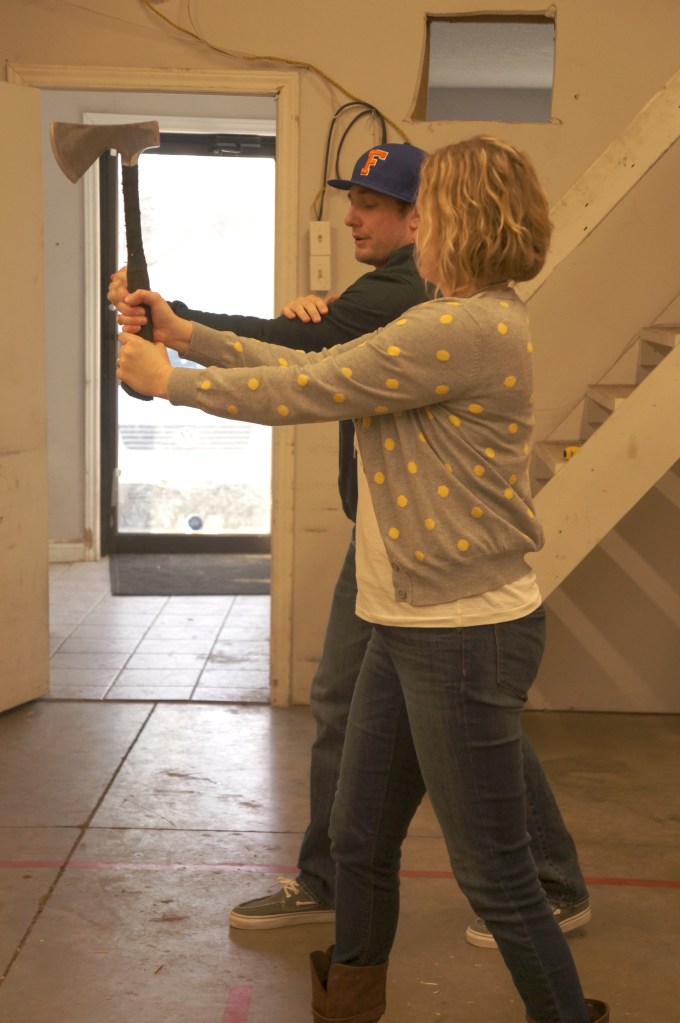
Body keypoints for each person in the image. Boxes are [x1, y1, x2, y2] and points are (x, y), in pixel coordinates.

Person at [112, 134, 608, 1023]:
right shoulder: (441, 320)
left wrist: (172, 378)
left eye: (426, 210)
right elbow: (314, 369)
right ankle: (348, 1007)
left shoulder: (462, 325)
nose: (413, 224)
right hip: (405, 621)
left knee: (497, 878)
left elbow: (309, 390)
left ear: (460, 220)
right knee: (357, 839)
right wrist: (184, 334)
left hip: (462, 634)